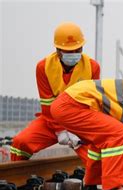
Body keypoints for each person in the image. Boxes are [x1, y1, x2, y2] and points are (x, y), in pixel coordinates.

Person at [10, 22, 100, 163]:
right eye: (69, 51)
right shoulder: (43, 67)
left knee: (94, 156)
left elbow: (92, 103)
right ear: (58, 50)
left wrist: (76, 128)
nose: (75, 54)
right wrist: (60, 130)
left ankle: (96, 181)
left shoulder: (92, 67)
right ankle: (16, 176)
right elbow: (47, 105)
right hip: (52, 120)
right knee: (20, 143)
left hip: (79, 122)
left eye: (78, 49)